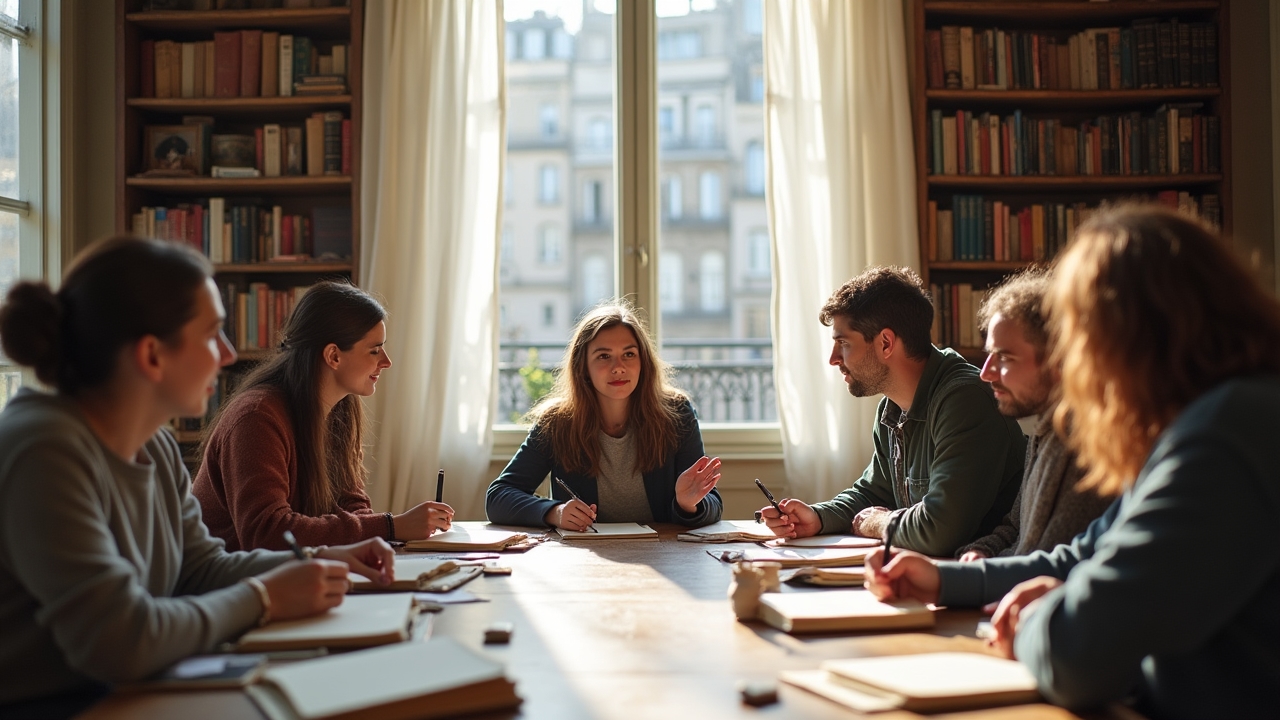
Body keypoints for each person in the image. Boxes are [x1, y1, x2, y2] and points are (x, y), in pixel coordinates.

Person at [864, 205, 1280, 719]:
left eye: (1078, 341)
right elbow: (1080, 555)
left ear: (1130, 337)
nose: (1073, 367)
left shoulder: (1225, 437)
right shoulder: (1200, 422)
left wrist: (1040, 615)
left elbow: (1076, 655)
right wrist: (942, 580)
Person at [0, 237, 394, 717]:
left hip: (134, 690)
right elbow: (120, 640)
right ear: (152, 355)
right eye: (211, 335)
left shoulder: (154, 445)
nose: (227, 354)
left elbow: (199, 568)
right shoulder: (43, 449)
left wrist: (321, 558)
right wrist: (265, 597)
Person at [760, 267, 1026, 557]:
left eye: (843, 343)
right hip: (929, 569)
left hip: (981, 575)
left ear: (885, 343)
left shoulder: (967, 400)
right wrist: (818, 517)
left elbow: (939, 530)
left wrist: (876, 522)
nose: (833, 359)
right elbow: (874, 493)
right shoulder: (892, 408)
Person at [194, 281, 454, 551]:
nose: (386, 361)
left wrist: (381, 533)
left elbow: (353, 506)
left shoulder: (340, 409)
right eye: (375, 350)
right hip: (234, 574)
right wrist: (390, 526)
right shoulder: (257, 418)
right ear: (333, 356)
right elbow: (268, 533)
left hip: (294, 570)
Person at [486, 301, 722, 530]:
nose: (618, 367)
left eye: (629, 354)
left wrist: (687, 504)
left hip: (663, 553)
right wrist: (554, 512)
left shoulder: (677, 413)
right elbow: (498, 497)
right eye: (603, 356)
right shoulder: (557, 422)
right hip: (586, 552)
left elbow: (712, 503)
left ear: (643, 362)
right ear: (583, 367)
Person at [954, 269, 1112, 561]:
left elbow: (1044, 563)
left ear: (1057, 359)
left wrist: (970, 576)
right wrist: (981, 551)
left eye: (1004, 357)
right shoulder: (1044, 429)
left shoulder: (1087, 444)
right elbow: (1015, 529)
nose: (986, 373)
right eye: (989, 355)